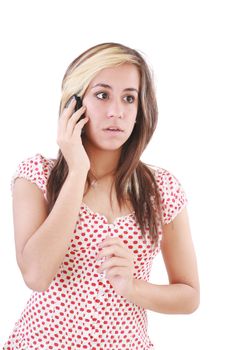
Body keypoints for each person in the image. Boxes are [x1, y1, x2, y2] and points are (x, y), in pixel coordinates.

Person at [4, 42, 200, 349]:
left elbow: (189, 296)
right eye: (102, 94)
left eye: (129, 98)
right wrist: (77, 169)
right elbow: (36, 276)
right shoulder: (36, 176)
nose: (116, 112)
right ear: (74, 104)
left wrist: (133, 287)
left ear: (140, 109)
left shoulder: (161, 190)